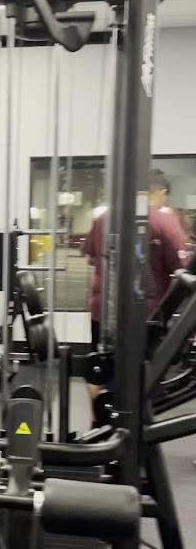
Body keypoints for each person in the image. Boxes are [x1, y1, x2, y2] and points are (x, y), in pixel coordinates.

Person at [82, 169, 189, 420]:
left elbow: (92, 258)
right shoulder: (165, 222)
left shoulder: (106, 218)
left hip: (103, 311)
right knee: (143, 377)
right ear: (162, 192)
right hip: (144, 316)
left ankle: (98, 426)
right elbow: (183, 270)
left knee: (100, 369)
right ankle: (134, 429)